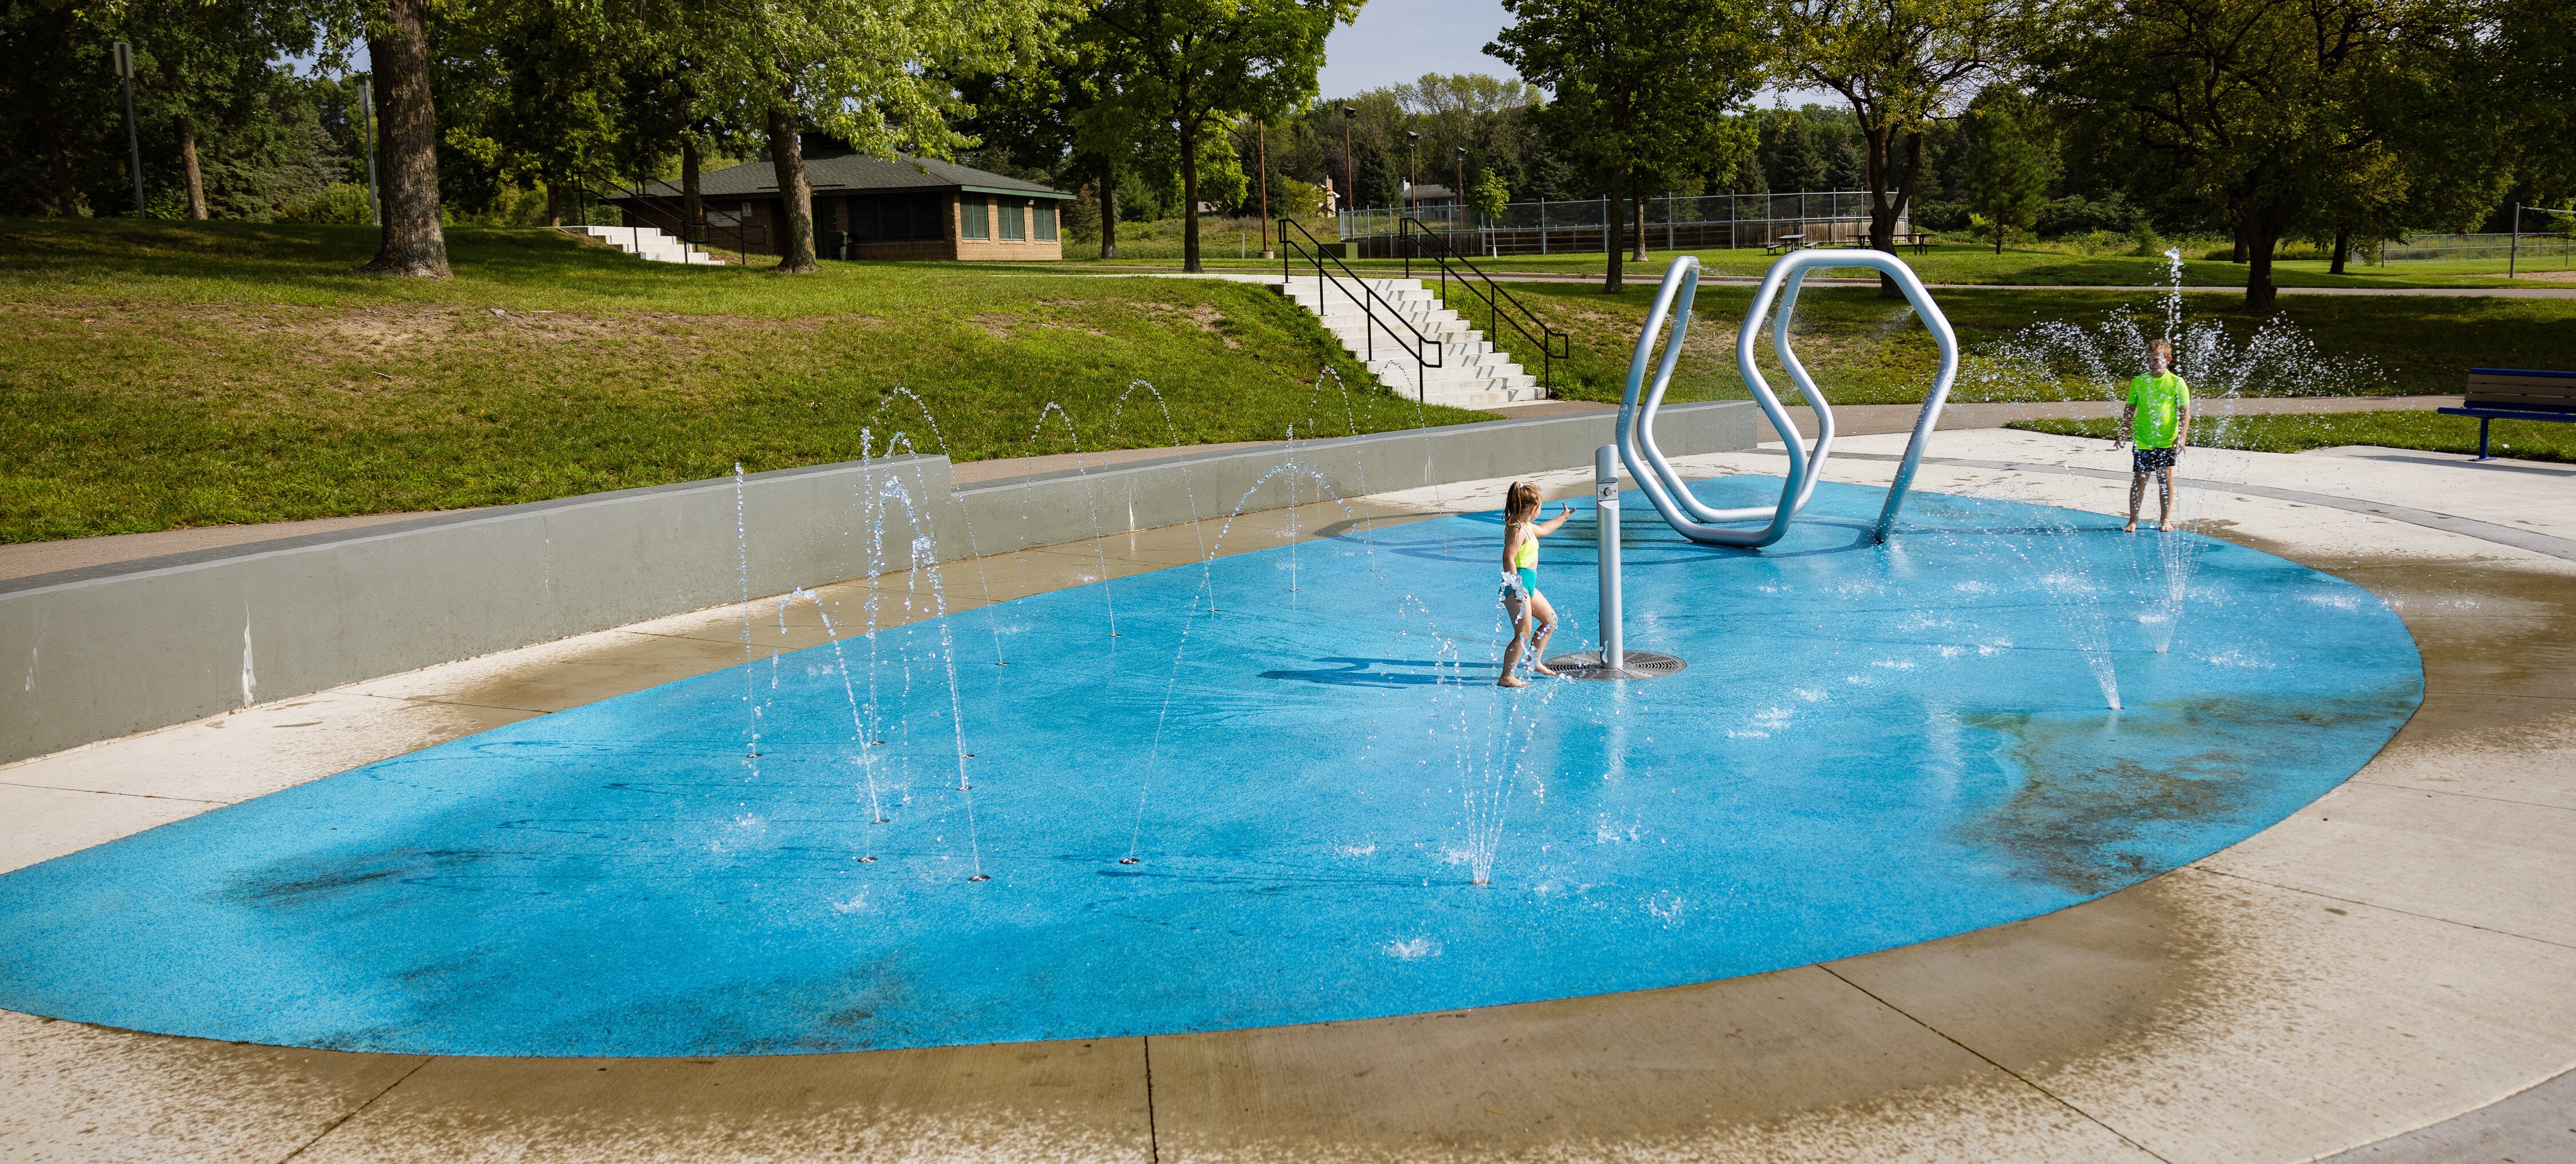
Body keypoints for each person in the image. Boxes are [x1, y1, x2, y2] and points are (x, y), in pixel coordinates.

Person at [1496, 481, 1573, 687]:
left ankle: (1534, 661)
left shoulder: (1527, 526)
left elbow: (1545, 530)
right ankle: (1507, 676)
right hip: (1516, 587)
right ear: (1532, 509)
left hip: (1528, 584)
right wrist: (1517, 587)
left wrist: (1563, 518)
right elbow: (1508, 559)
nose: (1541, 511)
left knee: (1550, 621)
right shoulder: (1517, 531)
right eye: (1540, 507)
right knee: (1523, 633)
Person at [2118, 338, 2192, 533]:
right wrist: (2124, 432)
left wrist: (2182, 437)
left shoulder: (2177, 383)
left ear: (2168, 359)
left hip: (2167, 439)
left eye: (2157, 360)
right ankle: (2133, 520)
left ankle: (2165, 519)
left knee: (2165, 479)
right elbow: (2130, 409)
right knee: (2140, 478)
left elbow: (2185, 412)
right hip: (2143, 439)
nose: (2152, 364)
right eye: (2149, 360)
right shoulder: (2139, 381)